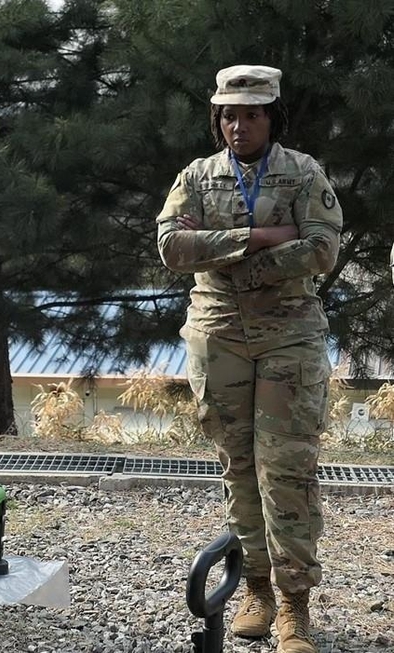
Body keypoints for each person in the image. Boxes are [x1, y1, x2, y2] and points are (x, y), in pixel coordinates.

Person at [156, 65, 342, 653]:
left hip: (289, 335)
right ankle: (256, 589)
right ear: (218, 118)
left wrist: (223, 255)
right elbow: (169, 246)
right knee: (238, 467)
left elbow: (323, 247)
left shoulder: (303, 172)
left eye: (252, 113)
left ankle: (294, 607)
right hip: (219, 334)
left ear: (272, 116)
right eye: (229, 114)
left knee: (285, 469)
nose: (239, 124)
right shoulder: (197, 176)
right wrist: (261, 238)